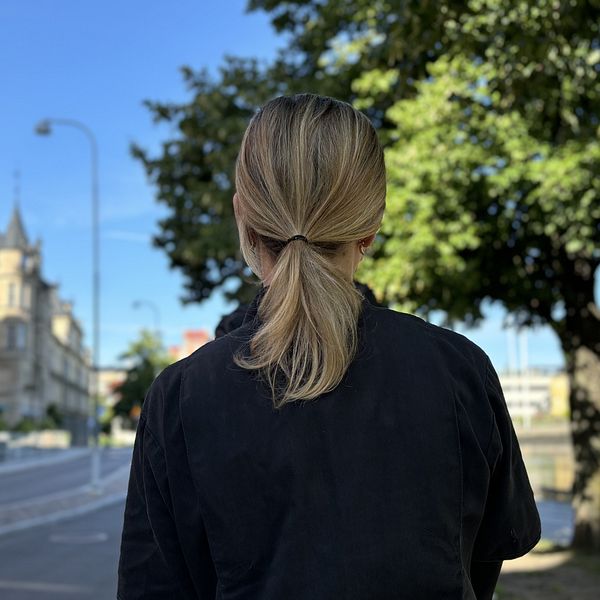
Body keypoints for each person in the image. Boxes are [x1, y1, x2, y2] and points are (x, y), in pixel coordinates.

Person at [117, 93, 541, 599]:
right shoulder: (460, 371)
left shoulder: (179, 398)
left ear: (242, 216)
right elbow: (485, 560)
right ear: (371, 226)